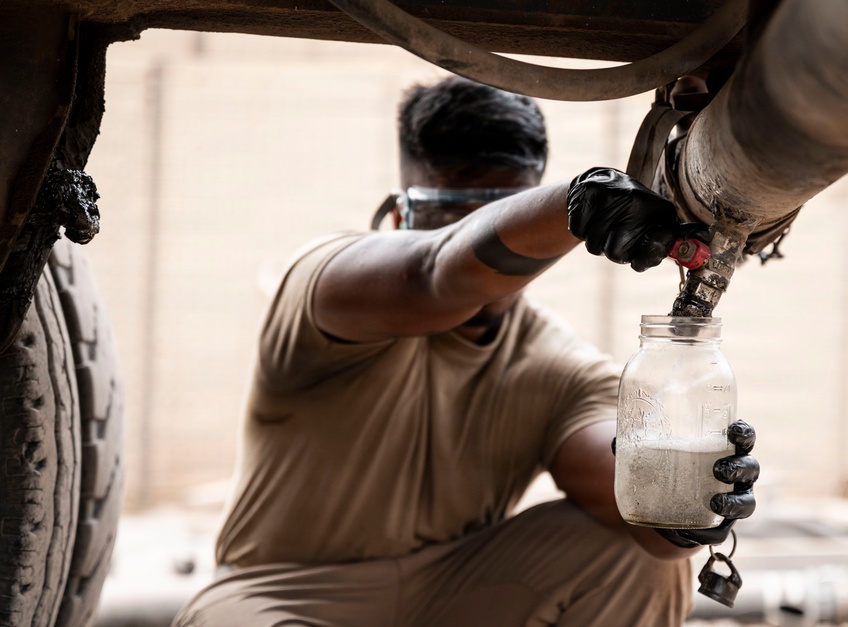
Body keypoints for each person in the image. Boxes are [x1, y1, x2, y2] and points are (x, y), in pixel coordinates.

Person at [174, 75, 759, 627]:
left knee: (638, 560)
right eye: (453, 220)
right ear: (399, 216)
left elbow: (637, 518)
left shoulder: (555, 365)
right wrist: (575, 204)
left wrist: (688, 499)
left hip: (451, 593)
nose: (497, 252)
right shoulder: (327, 286)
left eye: (508, 213)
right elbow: (438, 274)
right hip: (279, 594)